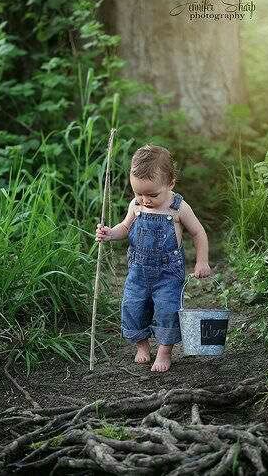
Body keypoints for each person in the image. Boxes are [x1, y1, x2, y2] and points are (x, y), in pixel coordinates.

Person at [96, 145, 211, 372]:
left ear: (170, 183)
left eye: (152, 194)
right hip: (138, 271)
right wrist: (110, 233)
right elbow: (125, 227)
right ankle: (142, 345)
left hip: (168, 274)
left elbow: (198, 232)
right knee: (133, 306)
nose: (145, 200)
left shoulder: (178, 207)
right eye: (138, 193)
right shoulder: (136, 205)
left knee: (167, 310)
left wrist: (202, 260)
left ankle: (164, 351)